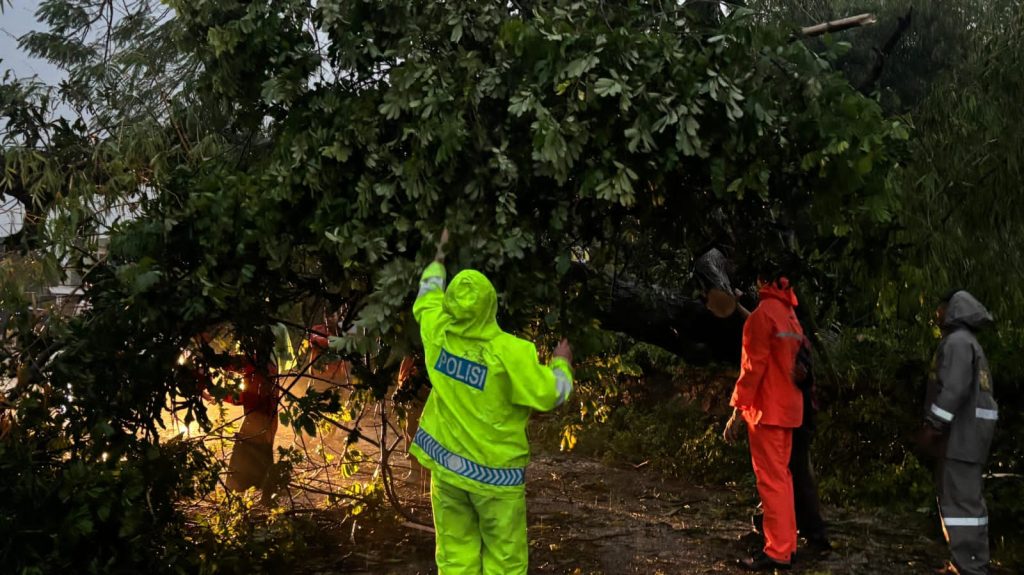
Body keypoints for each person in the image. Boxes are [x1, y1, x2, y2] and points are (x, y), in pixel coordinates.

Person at [409, 229, 574, 575]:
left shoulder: (438, 333)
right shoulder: (511, 354)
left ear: (451, 304)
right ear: (490, 304)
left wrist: (438, 258)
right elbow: (552, 394)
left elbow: (427, 296)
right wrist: (562, 363)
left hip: (448, 471)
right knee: (504, 562)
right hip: (496, 480)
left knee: (455, 559)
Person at [723, 271, 804, 571]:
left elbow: (751, 369)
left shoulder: (763, 315)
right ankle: (787, 547)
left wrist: (737, 411)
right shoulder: (789, 315)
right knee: (782, 480)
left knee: (771, 482)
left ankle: (778, 551)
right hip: (789, 409)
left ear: (761, 281)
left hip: (767, 411)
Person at [917, 290, 998, 575]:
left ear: (952, 309)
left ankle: (970, 566)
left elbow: (953, 389)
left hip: (960, 439)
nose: (936, 313)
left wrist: (933, 425)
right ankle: (968, 562)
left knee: (962, 507)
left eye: (940, 307)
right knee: (964, 504)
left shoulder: (957, 343)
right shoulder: (968, 343)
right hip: (967, 438)